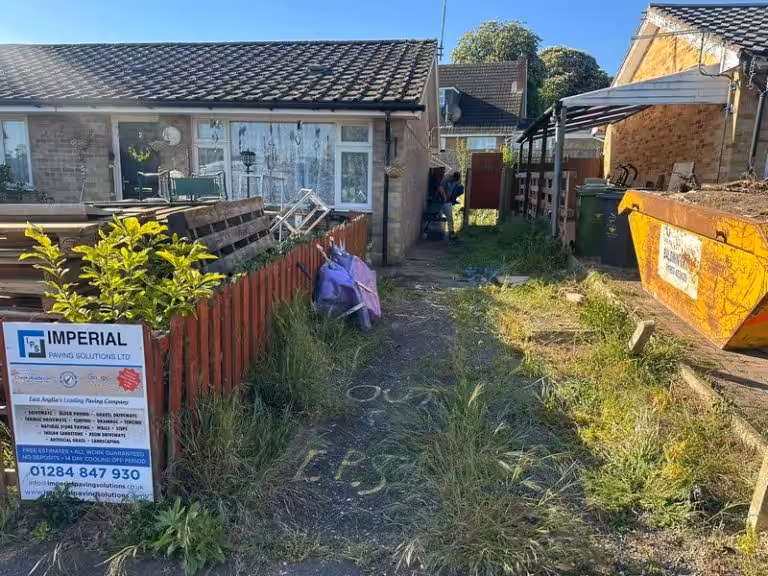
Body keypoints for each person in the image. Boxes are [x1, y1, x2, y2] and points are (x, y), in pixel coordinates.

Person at [438, 171, 461, 240]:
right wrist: (444, 196)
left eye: (456, 180)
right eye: (454, 180)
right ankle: (436, 232)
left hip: (448, 202)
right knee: (438, 217)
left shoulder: (455, 182)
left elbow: (455, 190)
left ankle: (451, 233)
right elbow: (440, 188)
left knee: (450, 217)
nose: (455, 181)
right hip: (440, 201)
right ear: (453, 177)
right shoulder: (446, 179)